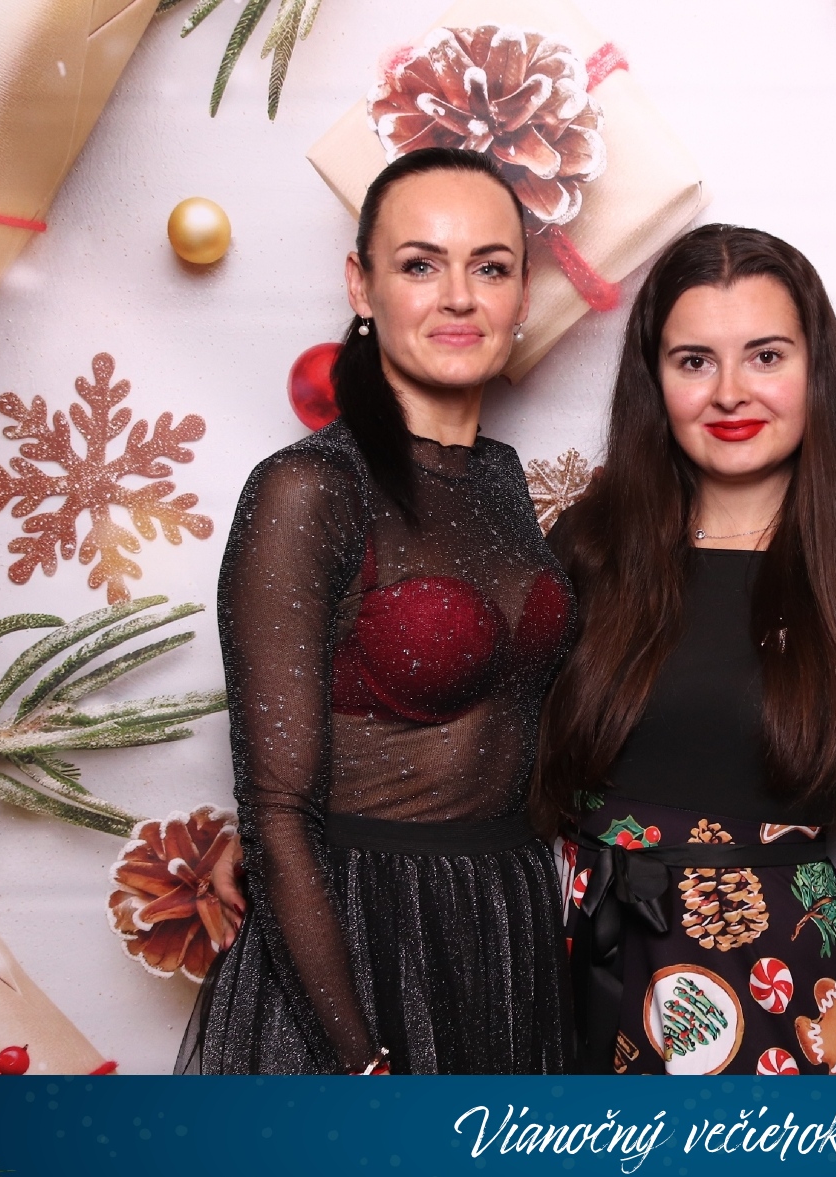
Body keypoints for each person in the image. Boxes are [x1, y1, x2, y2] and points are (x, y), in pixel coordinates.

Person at [179, 146, 573, 1075]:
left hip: (504, 927)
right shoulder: (308, 488)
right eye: (420, 265)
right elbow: (277, 813)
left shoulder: (502, 482)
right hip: (356, 936)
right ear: (361, 285)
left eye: (491, 267)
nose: (460, 298)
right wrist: (360, 1061)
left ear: (523, 294)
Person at [534, 225, 836, 1076]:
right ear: (654, 380)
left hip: (783, 983)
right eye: (695, 361)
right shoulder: (586, 551)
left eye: (766, 356)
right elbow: (486, 752)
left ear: (817, 371)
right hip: (589, 964)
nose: (731, 393)